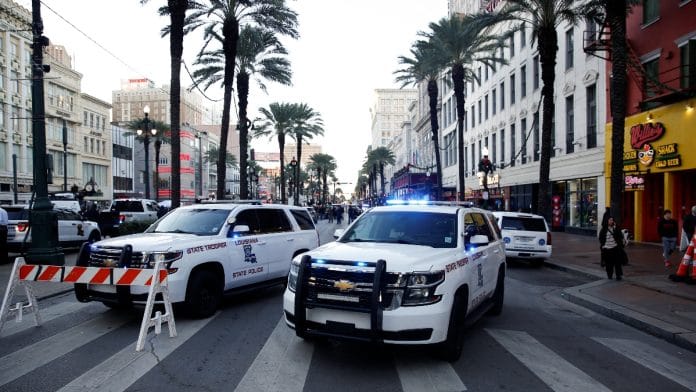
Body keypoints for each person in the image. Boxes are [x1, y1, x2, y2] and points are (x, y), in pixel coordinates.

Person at [599, 216, 625, 281]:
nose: (611, 221)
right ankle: (609, 274)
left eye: (612, 220)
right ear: (607, 221)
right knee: (608, 264)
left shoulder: (616, 228)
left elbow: (620, 236)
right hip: (607, 249)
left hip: (615, 248)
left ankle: (618, 275)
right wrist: (603, 245)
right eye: (610, 220)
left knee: (617, 263)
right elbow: (601, 237)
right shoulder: (604, 229)